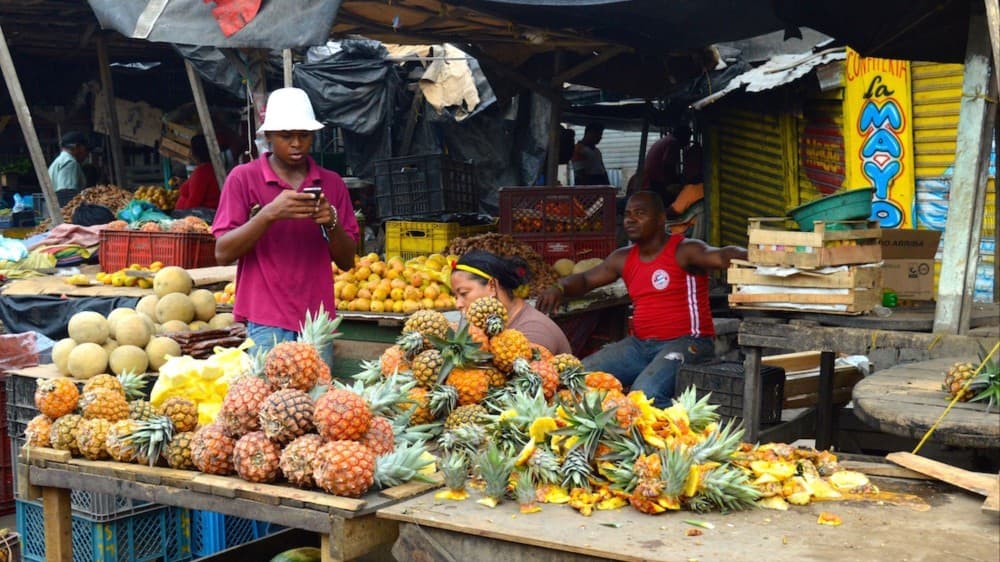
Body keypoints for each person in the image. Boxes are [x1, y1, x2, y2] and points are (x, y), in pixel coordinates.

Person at [537, 191, 746, 406]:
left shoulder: (684, 250)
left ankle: (678, 434)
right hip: (640, 346)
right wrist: (559, 287)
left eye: (640, 213)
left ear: (661, 219)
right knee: (576, 377)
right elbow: (586, 280)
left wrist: (758, 254)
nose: (630, 219)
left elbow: (721, 255)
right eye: (627, 214)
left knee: (644, 394)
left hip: (688, 342)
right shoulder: (623, 257)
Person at [212, 87, 359, 362]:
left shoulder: (332, 183)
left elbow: (347, 260)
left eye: (304, 136)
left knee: (315, 402)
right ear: (268, 137)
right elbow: (223, 252)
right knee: (269, 402)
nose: (296, 144)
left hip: (317, 321)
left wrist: (332, 222)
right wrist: (268, 214)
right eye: (286, 136)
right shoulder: (243, 179)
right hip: (265, 319)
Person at [451, 250, 572, 356]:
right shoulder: (492, 329)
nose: (458, 304)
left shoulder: (533, 330)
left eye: (463, 293)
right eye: (455, 296)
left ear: (492, 286)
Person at [175, 134, 221, 210]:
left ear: (194, 152)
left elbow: (193, 203)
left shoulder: (202, 173)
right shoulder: (210, 168)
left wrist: (182, 217)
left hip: (201, 216)